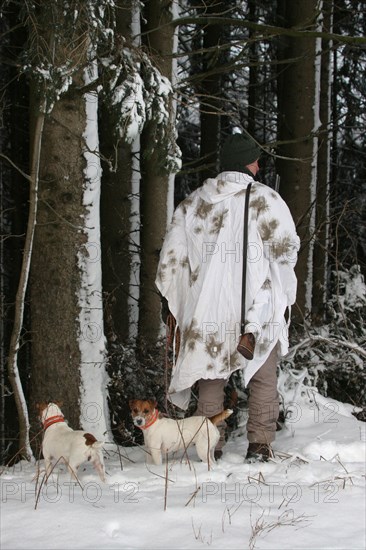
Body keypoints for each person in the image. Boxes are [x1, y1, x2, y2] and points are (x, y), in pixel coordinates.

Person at [155, 132, 300, 462]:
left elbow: (171, 259)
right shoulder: (266, 199)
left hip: (208, 310)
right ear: (250, 163)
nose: (259, 165)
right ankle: (260, 445)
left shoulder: (192, 204)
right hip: (255, 308)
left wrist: (173, 303)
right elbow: (286, 250)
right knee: (262, 375)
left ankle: (210, 448)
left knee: (210, 376)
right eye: (256, 160)